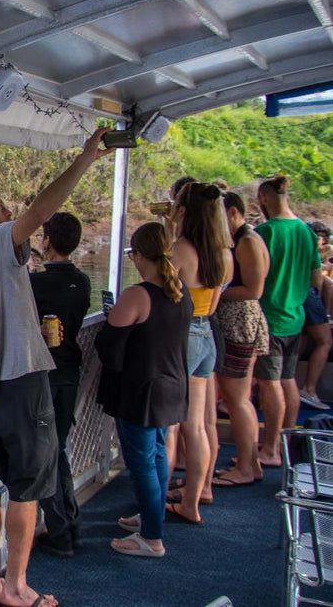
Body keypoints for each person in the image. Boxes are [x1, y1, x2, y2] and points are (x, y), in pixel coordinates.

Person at [0, 126, 112, 607]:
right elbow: (42, 210)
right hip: (21, 382)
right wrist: (86, 159)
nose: (9, 212)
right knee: (26, 487)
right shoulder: (1, 240)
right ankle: (18, 586)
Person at [96, 222, 192, 558]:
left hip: (142, 391)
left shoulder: (137, 294)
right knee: (157, 454)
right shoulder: (180, 290)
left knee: (141, 462)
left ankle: (152, 537)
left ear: (138, 254)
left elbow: (109, 346)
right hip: (172, 385)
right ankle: (153, 517)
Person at [164, 182, 232, 523]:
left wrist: (168, 232)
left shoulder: (180, 250)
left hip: (184, 336)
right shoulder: (223, 254)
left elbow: (163, 293)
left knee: (171, 425)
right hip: (206, 333)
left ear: (183, 211)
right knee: (198, 425)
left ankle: (157, 497)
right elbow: (213, 302)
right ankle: (195, 495)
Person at [29, 212, 91, 558]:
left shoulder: (35, 284)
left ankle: (61, 530)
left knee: (45, 453)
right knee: (59, 449)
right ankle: (69, 523)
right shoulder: (82, 282)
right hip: (70, 370)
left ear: (47, 240)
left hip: (44, 374)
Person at [254, 175, 324, 467]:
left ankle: (269, 449)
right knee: (287, 381)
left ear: (265, 199)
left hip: (269, 318)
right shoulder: (306, 232)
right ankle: (283, 443)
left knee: (270, 384)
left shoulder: (265, 232)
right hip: (295, 318)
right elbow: (316, 280)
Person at [210, 191, 270, 486]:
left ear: (233, 212)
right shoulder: (245, 239)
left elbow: (254, 290)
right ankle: (251, 463)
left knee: (237, 398)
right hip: (235, 322)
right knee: (237, 398)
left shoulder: (247, 241)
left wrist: (213, 291)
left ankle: (246, 466)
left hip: (240, 322)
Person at [299, 221, 333, 410]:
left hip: (296, 298)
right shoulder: (311, 249)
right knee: (324, 341)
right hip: (309, 296)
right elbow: (321, 282)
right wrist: (325, 313)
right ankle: (309, 389)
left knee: (302, 337)